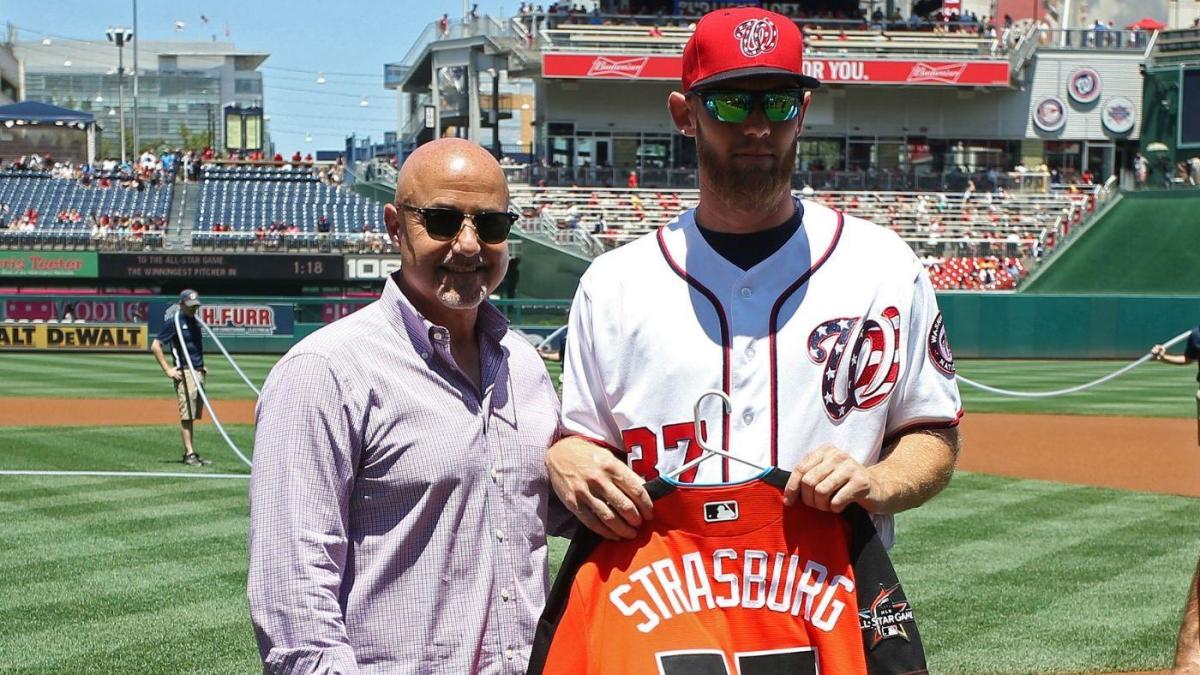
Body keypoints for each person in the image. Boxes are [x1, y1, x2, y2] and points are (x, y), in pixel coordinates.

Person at [545, 7, 962, 547]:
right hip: (668, 611)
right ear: (684, 114)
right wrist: (568, 453)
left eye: (779, 102)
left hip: (826, 602)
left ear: (803, 112)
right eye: (731, 101)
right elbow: (588, 447)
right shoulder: (614, 285)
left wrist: (879, 479)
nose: (758, 126)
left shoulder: (883, 266)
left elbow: (932, 432)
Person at [248, 138, 566, 673]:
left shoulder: (526, 366)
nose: (469, 245)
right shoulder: (325, 370)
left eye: (490, 226)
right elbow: (294, 602)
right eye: (442, 221)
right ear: (396, 227)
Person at [149, 289, 210, 466]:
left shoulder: (195, 322)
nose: (193, 309)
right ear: (181, 304)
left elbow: (194, 348)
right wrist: (168, 369)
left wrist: (200, 366)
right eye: (190, 306)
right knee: (186, 414)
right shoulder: (174, 322)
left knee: (193, 414)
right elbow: (155, 346)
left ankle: (192, 452)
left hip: (197, 372)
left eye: (196, 306)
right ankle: (189, 453)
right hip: (184, 372)